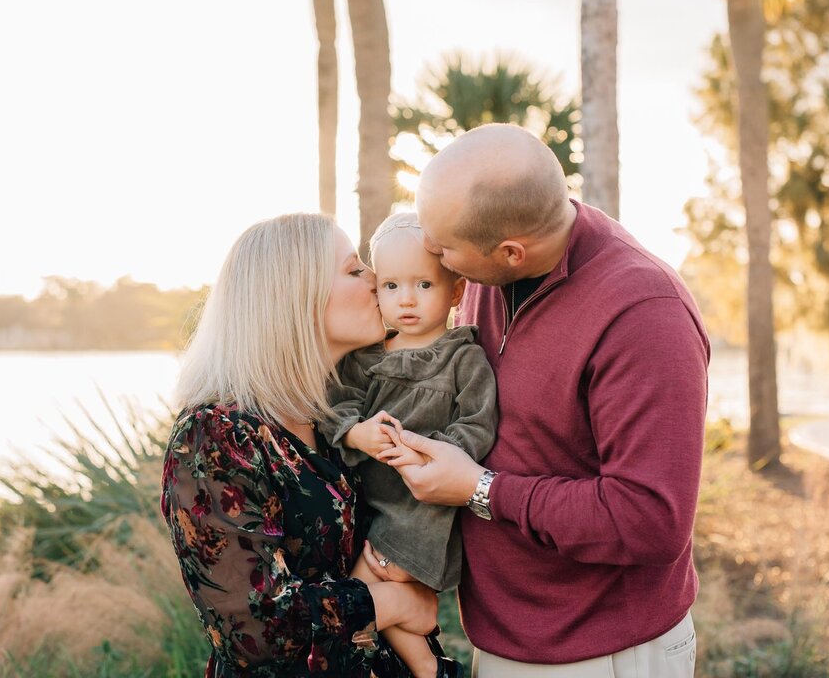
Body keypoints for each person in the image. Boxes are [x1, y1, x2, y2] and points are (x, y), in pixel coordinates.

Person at [378, 124, 710, 677]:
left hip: (602, 653)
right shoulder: (485, 270)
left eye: (442, 249)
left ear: (511, 252)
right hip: (504, 639)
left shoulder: (646, 316)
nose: (432, 257)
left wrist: (482, 490)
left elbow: (652, 519)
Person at [160, 213, 439, 677]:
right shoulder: (217, 435)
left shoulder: (338, 417)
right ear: (294, 299)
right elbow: (257, 630)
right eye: (355, 269)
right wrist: (395, 602)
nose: (378, 280)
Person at [320, 212, 499, 678]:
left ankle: (419, 663)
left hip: (420, 509)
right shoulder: (367, 358)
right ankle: (430, 669)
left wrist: (430, 450)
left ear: (456, 291)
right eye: (392, 287)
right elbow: (337, 406)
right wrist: (356, 431)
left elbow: (478, 424)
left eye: (424, 285)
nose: (407, 301)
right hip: (370, 501)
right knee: (361, 596)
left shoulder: (464, 357)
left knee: (362, 594)